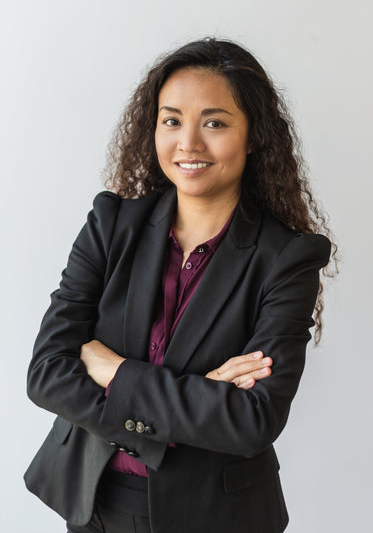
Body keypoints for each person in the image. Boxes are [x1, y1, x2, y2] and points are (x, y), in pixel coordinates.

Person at [24, 37, 336, 533]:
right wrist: (198, 396)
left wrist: (114, 369)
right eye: (172, 120)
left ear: (253, 135)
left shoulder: (287, 257)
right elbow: (46, 374)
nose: (188, 143)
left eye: (214, 122)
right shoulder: (112, 225)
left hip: (219, 515)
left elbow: (253, 418)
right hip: (97, 504)